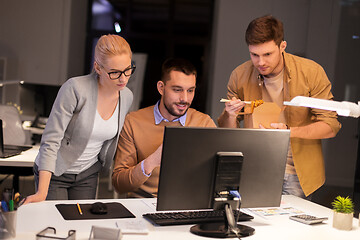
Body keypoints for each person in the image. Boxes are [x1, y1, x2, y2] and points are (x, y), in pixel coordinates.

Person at [218, 15, 341, 199]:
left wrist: (289, 132)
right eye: (254, 55)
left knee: (291, 227)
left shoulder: (311, 72)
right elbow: (228, 132)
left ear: (282, 46)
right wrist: (230, 115)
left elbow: (330, 126)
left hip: (296, 173)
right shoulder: (239, 75)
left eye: (267, 54)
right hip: (253, 168)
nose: (260, 62)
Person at [24, 34, 134, 203]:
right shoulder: (75, 88)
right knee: (56, 225)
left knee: (80, 224)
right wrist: (41, 193)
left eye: (127, 70)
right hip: (55, 171)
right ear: (97, 68)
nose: (123, 78)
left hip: (87, 173)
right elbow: (51, 140)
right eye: (114, 73)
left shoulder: (126, 96)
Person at [112, 58, 216, 197]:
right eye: (177, 90)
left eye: (190, 91)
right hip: (143, 203)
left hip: (188, 204)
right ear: (161, 88)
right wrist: (151, 162)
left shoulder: (204, 123)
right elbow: (120, 185)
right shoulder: (133, 122)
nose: (184, 98)